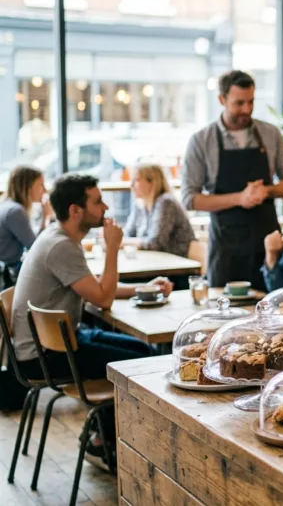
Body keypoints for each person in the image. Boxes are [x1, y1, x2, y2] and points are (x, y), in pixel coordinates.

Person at [10, 174, 171, 468]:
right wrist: (112, 249)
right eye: (97, 201)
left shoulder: (56, 237)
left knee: (143, 351)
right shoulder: (62, 246)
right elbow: (103, 299)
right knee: (141, 363)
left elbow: (95, 289)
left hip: (57, 342)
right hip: (43, 355)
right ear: (75, 211)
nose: (106, 206)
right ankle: (102, 441)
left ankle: (104, 435)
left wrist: (144, 288)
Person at [180, 71, 283, 290]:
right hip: (226, 248)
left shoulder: (270, 134)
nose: (247, 109)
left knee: (273, 313)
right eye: (239, 103)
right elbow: (190, 198)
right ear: (221, 100)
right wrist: (240, 198)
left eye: (251, 102)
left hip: (268, 244)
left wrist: (267, 191)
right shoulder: (201, 141)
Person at [123, 163, 197, 258]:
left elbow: (156, 243)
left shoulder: (166, 202)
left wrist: (124, 242)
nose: (132, 185)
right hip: (153, 262)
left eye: (136, 180)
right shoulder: (140, 205)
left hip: (176, 265)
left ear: (152, 182)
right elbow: (128, 234)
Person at [0, 166, 53, 283]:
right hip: (8, 275)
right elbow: (36, 247)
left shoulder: (8, 206)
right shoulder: (15, 211)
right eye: (41, 185)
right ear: (28, 186)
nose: (44, 190)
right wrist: (46, 216)